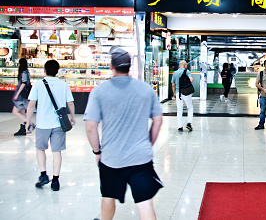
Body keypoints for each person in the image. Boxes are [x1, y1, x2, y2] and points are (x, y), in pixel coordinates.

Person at [84, 47, 163, 220]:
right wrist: (148, 144)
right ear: (130, 66)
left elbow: (90, 127)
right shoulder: (146, 90)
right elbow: (158, 119)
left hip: (112, 157)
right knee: (145, 203)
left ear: (111, 66)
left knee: (108, 196)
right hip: (141, 158)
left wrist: (97, 152)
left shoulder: (99, 91)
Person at [25, 60, 76, 191]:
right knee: (56, 151)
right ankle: (55, 180)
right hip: (59, 124)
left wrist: (27, 121)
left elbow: (31, 104)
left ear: (44, 70)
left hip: (42, 123)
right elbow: (70, 103)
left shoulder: (38, 85)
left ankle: (43, 175)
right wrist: (72, 117)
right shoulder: (63, 84)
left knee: (40, 148)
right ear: (57, 71)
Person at [12, 58, 34, 136]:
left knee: (15, 111)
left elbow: (23, 83)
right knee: (22, 112)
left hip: (22, 95)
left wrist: (17, 94)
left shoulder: (24, 72)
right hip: (25, 95)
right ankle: (23, 129)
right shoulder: (26, 72)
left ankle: (28, 124)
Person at [171, 60, 194, 132]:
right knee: (190, 108)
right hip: (186, 92)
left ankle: (180, 127)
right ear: (184, 65)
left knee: (179, 110)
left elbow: (173, 85)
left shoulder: (175, 73)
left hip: (178, 93)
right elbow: (191, 80)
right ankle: (189, 123)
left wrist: (174, 93)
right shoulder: (187, 71)